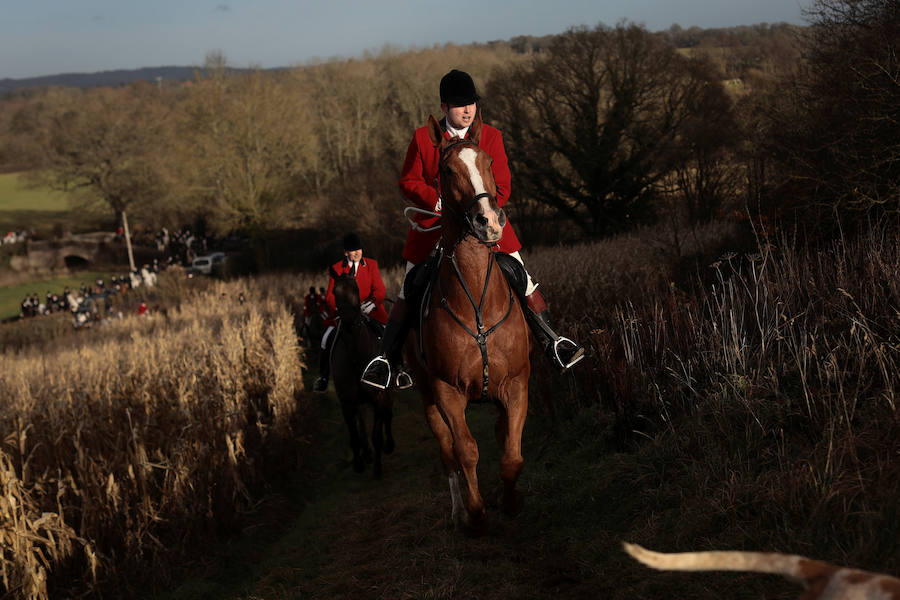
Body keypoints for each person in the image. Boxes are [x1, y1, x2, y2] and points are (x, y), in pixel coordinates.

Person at [361, 69, 584, 390]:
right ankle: (387, 360)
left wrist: (480, 209)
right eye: (459, 104)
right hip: (434, 227)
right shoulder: (424, 138)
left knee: (524, 279)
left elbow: (503, 187)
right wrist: (435, 200)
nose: (467, 110)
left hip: (486, 222)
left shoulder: (491, 136)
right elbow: (407, 181)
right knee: (409, 287)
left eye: (471, 104)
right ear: (443, 106)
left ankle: (555, 343)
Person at [313, 233, 390, 393]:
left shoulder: (371, 265)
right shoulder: (336, 268)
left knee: (388, 334)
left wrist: (371, 303)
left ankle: (398, 370)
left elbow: (380, 289)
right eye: (352, 251)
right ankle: (323, 377)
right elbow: (329, 297)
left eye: (359, 250)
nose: (356, 253)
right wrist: (341, 310)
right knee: (326, 338)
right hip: (345, 314)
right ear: (345, 252)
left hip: (370, 310)